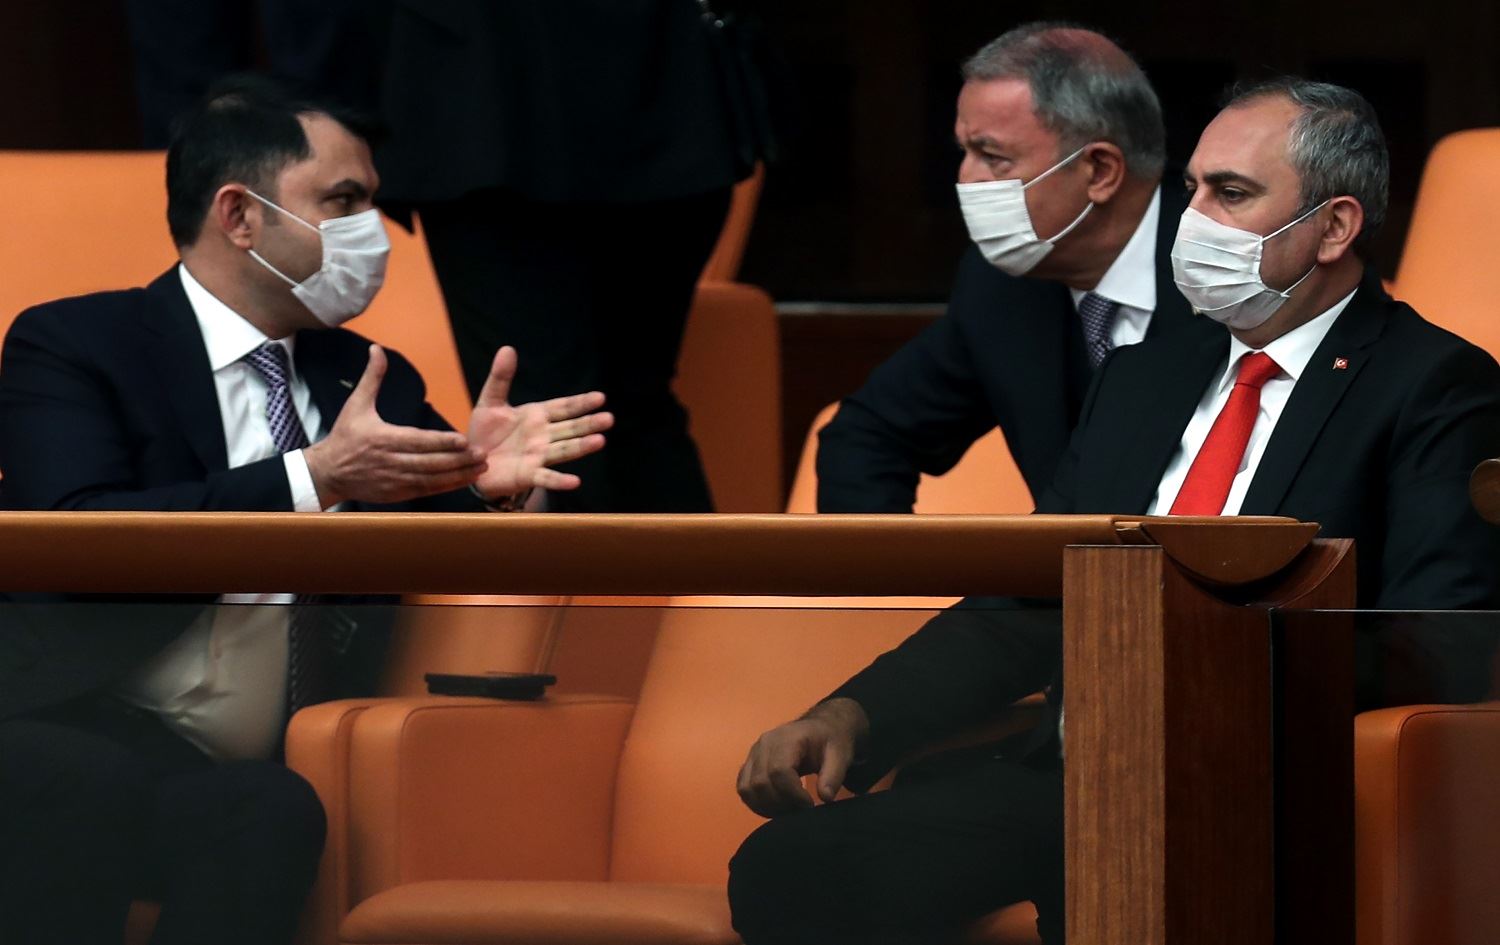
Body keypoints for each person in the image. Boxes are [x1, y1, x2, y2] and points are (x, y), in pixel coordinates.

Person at [729, 78, 1500, 944]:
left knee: (1113, 871)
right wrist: (851, 717)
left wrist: (1203, 677)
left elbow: (1441, 637)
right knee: (792, 869)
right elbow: (1027, 602)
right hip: (1069, 773)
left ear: (1334, 227)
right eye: (1193, 188)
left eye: (1231, 193)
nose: (1190, 217)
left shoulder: (1434, 386)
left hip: (1255, 780)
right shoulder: (1145, 376)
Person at [0, 76, 611, 945]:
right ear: (240, 216)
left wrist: (487, 483)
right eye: (344, 201)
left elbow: (440, 533)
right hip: (53, 714)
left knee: (272, 807)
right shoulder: (74, 344)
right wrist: (312, 477)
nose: (374, 233)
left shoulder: (365, 371)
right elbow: (77, 534)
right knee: (85, 780)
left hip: (205, 759)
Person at [373, 0, 749, 512]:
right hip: (662, 97)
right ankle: (691, 591)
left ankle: (653, 590)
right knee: (629, 407)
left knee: (555, 416)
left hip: (494, 105)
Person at [816, 23, 1201, 513]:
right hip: (1055, 582)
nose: (965, 178)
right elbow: (868, 435)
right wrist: (902, 579)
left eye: (991, 156)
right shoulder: (1001, 286)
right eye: (964, 152)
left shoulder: (1229, 272)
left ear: (1100, 171)